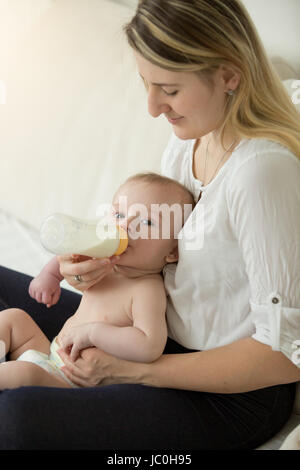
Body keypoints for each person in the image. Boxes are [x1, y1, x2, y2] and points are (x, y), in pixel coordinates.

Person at [0, 0, 299, 450]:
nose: (153, 107)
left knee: (17, 418)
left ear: (229, 74)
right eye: (146, 84)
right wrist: (102, 264)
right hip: (150, 334)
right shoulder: (188, 142)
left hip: (229, 392)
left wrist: (136, 371)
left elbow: (284, 355)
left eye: (168, 89)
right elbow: (163, 253)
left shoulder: (262, 173)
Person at [0, 172, 194, 389]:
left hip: (69, 381)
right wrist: (50, 276)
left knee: (24, 373)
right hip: (50, 355)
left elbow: (149, 344)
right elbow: (71, 253)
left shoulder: (146, 289)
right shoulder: (104, 258)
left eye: (147, 222)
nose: (126, 225)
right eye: (119, 215)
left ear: (173, 251)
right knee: (14, 320)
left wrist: (94, 333)